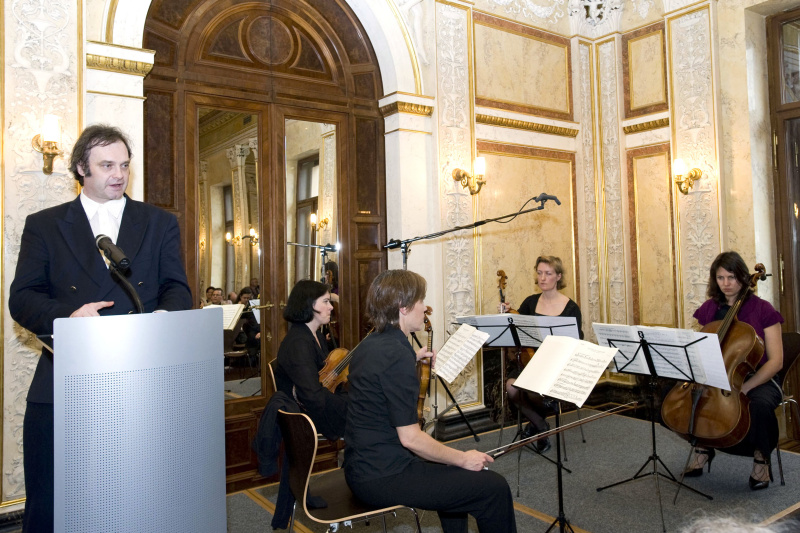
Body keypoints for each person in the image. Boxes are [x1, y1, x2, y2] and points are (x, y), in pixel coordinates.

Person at [8, 124, 192, 532]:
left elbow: (177, 289)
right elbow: (22, 298)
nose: (119, 174)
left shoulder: (159, 222)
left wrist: (162, 321)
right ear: (80, 169)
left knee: (138, 504)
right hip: (64, 383)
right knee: (57, 505)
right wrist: (68, 318)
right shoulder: (45, 224)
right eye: (106, 165)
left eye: (124, 165)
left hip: (140, 382)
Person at [344, 270, 517, 533]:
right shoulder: (396, 354)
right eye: (421, 301)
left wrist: (412, 359)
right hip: (384, 476)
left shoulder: (372, 344)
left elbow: (380, 378)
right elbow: (411, 439)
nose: (425, 308)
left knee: (453, 481)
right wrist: (462, 458)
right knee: (493, 488)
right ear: (403, 307)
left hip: (360, 466)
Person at [686, 251, 783, 490]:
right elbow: (703, 347)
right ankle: (703, 448)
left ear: (743, 277)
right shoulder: (709, 309)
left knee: (758, 406)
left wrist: (748, 386)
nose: (726, 284)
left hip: (759, 377)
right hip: (719, 374)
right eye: (720, 278)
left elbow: (776, 361)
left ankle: (761, 460)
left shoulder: (763, 310)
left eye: (732, 277)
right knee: (685, 398)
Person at [498, 255, 583, 453]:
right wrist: (507, 313)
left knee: (534, 389)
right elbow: (517, 329)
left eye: (548, 273)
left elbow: (575, 342)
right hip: (532, 362)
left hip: (558, 365)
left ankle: (536, 424)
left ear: (558, 277)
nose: (542, 278)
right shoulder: (530, 303)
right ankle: (541, 425)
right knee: (511, 387)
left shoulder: (571, 308)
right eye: (539, 273)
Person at [273, 279, 347, 440]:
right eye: (326, 301)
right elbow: (312, 396)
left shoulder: (317, 335)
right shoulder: (299, 343)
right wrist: (345, 405)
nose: (331, 307)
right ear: (311, 304)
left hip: (317, 404)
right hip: (306, 415)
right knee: (367, 413)